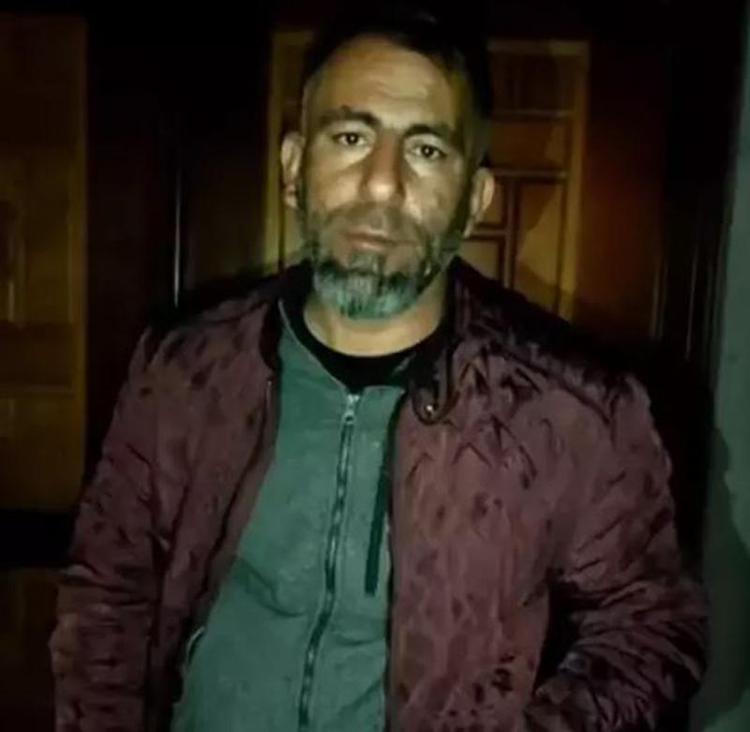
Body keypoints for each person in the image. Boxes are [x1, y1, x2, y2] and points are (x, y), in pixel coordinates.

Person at [50, 6, 706, 731]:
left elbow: (651, 633)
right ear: (294, 170)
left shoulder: (576, 410)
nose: (384, 184)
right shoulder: (182, 367)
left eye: (426, 150)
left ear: (474, 200)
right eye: (352, 137)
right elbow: (108, 591)